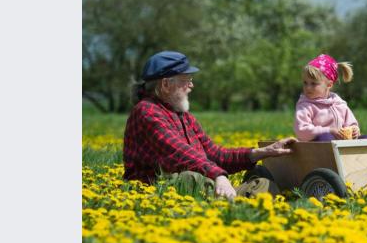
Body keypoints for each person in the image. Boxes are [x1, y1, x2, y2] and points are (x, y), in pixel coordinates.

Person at [123, 50, 296, 200]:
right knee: (189, 178)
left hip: (201, 184)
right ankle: (237, 199)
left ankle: (236, 198)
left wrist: (259, 153)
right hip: (157, 191)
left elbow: (214, 154)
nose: (192, 85)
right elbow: (179, 152)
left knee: (262, 179)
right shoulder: (146, 112)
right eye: (187, 79)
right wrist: (218, 175)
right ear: (166, 84)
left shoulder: (183, 115)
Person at [294, 54, 367, 142]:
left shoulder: (339, 103)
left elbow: (351, 123)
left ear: (329, 85)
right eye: (305, 83)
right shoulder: (305, 105)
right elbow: (301, 131)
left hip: (342, 145)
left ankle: (359, 156)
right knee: (326, 137)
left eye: (313, 84)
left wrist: (354, 129)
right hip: (316, 147)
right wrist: (329, 130)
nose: (308, 87)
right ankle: (330, 155)